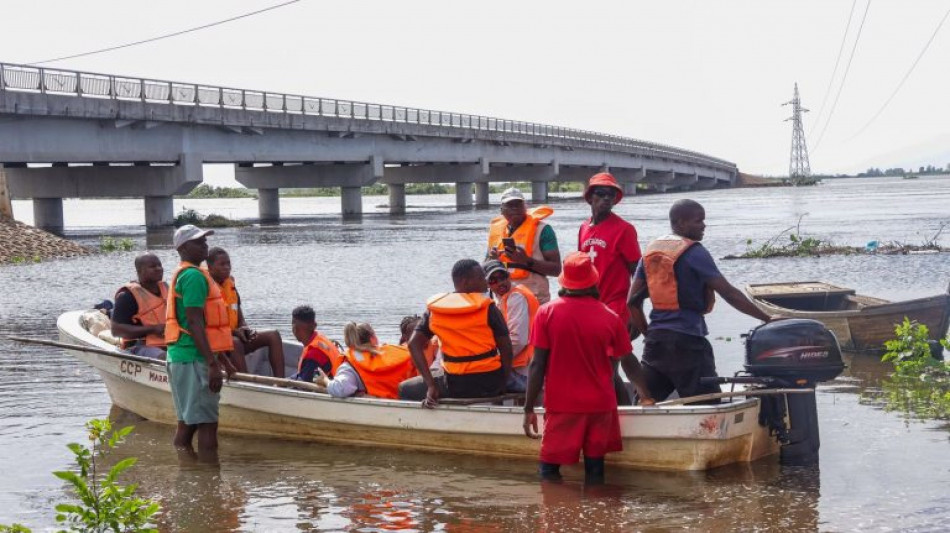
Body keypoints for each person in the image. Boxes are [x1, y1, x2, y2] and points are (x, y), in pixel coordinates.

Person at [523, 251, 655, 484]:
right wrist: (645, 395)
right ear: (594, 281)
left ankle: (558, 506)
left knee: (549, 473)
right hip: (600, 406)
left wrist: (528, 408)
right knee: (595, 473)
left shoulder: (547, 313)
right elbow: (629, 361)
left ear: (564, 282)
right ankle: (599, 507)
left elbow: (537, 364)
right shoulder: (610, 317)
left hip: (563, 406)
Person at [627, 199, 774, 402]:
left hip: (656, 343)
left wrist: (648, 333)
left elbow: (632, 302)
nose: (704, 225)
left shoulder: (651, 252)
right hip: (688, 343)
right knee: (708, 404)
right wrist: (767, 318)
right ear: (680, 223)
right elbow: (729, 293)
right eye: (698, 221)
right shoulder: (694, 252)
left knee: (646, 402)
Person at [399, 259, 514, 406]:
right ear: (465, 282)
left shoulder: (436, 310)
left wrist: (431, 385)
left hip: (454, 383)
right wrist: (503, 382)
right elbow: (506, 348)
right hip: (489, 383)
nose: (485, 281)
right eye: (480, 277)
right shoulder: (488, 308)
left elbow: (413, 344)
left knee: (404, 389)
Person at [164, 225, 237, 457]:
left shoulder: (191, 273)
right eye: (199, 242)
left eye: (205, 241)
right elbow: (195, 322)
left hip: (184, 357)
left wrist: (223, 359)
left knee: (188, 423)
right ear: (184, 248)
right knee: (207, 424)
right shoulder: (194, 276)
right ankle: (208, 475)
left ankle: (187, 471)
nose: (205, 245)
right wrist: (212, 364)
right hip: (193, 359)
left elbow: (206, 325)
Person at [205, 247, 286, 377]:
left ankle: (281, 383)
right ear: (210, 267)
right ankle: (247, 383)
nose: (227, 267)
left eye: (228, 263)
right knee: (235, 342)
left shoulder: (230, 284)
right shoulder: (204, 287)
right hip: (217, 344)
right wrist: (234, 332)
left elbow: (239, 316)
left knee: (273, 335)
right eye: (222, 264)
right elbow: (206, 327)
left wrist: (245, 328)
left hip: (235, 336)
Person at [577, 172, 642, 333]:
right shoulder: (583, 228)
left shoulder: (624, 229)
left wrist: (635, 311)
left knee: (615, 348)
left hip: (616, 306)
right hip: (590, 305)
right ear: (590, 197)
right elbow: (581, 268)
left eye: (611, 194)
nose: (606, 198)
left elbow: (639, 272)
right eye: (601, 193)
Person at [486, 187, 561, 304]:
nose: (515, 208)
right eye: (510, 205)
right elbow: (484, 268)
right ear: (501, 210)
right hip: (502, 300)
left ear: (525, 207)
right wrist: (492, 260)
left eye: (518, 204)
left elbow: (557, 270)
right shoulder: (496, 232)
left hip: (534, 299)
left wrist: (526, 261)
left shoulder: (543, 230)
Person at [317, 322, 416, 399]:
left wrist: (325, 380)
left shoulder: (350, 365)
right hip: (412, 394)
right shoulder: (393, 351)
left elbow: (341, 389)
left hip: (388, 402)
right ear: (372, 339)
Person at [483, 259, 539, 393]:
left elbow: (518, 341)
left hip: (525, 369)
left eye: (503, 277)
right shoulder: (497, 298)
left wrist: (493, 362)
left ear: (509, 276)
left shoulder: (516, 297)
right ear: (487, 284)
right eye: (493, 280)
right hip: (517, 365)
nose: (500, 282)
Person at [111, 253, 168, 360]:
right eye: (153, 266)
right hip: (140, 345)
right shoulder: (127, 296)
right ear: (139, 271)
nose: (159, 269)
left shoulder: (166, 289)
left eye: (159, 265)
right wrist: (153, 329)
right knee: (168, 358)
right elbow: (116, 330)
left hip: (169, 342)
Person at [290, 305, 343, 383]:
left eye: (296, 325)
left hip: (332, 388)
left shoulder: (315, 353)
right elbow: (304, 376)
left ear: (313, 326)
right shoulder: (318, 339)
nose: (294, 329)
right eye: (293, 324)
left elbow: (303, 383)